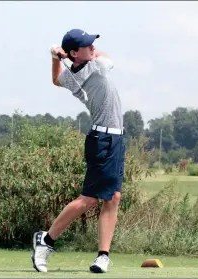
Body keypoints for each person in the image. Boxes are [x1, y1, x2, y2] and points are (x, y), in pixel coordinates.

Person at [31, 28, 125, 274]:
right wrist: (65, 57)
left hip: (115, 139)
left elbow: (55, 79)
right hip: (102, 138)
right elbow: (105, 57)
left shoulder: (72, 75)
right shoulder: (96, 67)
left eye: (92, 44)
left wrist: (55, 58)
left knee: (113, 197)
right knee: (90, 199)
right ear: (74, 52)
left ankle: (103, 256)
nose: (92, 47)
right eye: (87, 45)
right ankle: (46, 240)